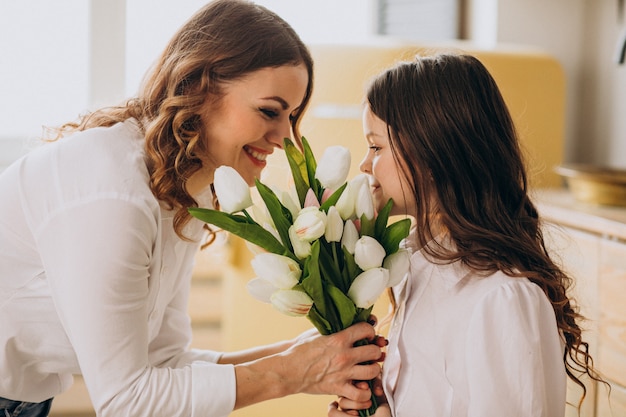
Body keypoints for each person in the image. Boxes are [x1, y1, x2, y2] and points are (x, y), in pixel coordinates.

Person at [0, 1, 384, 416]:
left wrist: (305, 356)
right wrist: (293, 373)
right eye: (269, 111)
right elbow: (127, 401)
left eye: (292, 116)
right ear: (199, 87)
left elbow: (164, 362)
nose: (285, 137)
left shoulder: (182, 186)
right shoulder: (114, 195)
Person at [328, 52, 605, 417]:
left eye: (376, 146)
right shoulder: (415, 270)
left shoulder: (503, 299)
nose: (365, 164)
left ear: (431, 153)